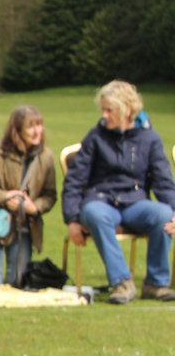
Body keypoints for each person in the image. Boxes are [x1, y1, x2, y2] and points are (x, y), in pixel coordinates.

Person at [61, 79, 175, 304]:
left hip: (136, 204)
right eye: (103, 109)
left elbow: (164, 182)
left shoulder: (150, 139)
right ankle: (122, 283)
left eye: (109, 110)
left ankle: (156, 284)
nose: (104, 115)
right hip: (101, 202)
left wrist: (174, 211)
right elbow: (74, 180)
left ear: (127, 110)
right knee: (94, 213)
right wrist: (73, 219)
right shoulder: (95, 137)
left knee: (162, 215)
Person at [0, 104, 56, 287]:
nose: (37, 131)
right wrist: (4, 196)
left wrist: (34, 207)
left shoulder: (46, 156)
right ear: (17, 130)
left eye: (39, 125)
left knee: (19, 283)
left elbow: (50, 195)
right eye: (31, 126)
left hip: (23, 226)